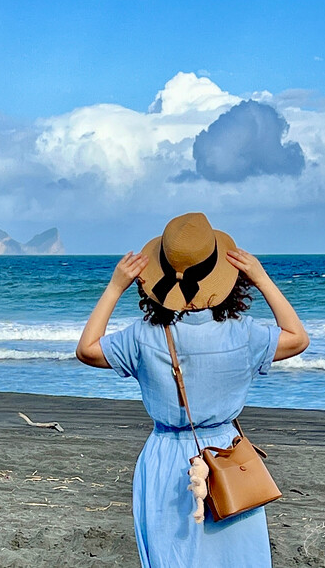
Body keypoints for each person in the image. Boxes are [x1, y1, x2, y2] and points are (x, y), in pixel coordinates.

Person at [75, 212, 309, 567]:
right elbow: (298, 338)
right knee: (235, 558)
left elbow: (87, 349)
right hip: (228, 458)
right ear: (226, 275)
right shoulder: (244, 334)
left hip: (165, 458)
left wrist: (114, 287)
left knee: (173, 555)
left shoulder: (142, 336)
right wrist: (261, 279)